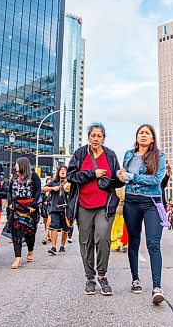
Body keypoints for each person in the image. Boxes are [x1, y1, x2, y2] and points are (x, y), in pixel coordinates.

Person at [66, 123, 124, 296]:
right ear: (88, 137)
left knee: (103, 237)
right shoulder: (80, 154)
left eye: (99, 136)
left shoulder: (111, 155)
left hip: (104, 206)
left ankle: (103, 275)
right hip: (83, 205)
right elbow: (71, 176)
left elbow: (115, 181)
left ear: (103, 138)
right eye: (93, 136)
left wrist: (121, 178)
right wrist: (92, 173)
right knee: (86, 242)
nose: (96, 139)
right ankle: (90, 278)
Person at [119, 124, 167, 305]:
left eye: (147, 133)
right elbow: (123, 175)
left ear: (152, 138)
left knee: (153, 243)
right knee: (133, 242)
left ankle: (157, 287)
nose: (144, 135)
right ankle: (135, 279)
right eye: (141, 133)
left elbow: (156, 179)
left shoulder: (159, 156)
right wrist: (121, 174)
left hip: (152, 202)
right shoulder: (129, 154)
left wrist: (132, 177)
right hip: (131, 201)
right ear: (137, 137)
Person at [8, 157, 41, 269]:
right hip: (17, 207)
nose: (15, 166)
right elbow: (9, 191)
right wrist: (10, 203)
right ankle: (18, 259)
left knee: (29, 233)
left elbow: (38, 191)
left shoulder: (34, 176)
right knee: (16, 232)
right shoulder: (14, 177)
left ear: (22, 165)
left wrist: (34, 205)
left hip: (30, 209)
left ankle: (30, 250)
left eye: (16, 164)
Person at [43, 166, 70, 255]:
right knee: (54, 227)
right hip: (55, 208)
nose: (63, 171)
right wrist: (53, 188)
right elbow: (44, 189)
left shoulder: (70, 182)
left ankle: (62, 246)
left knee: (65, 229)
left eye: (65, 170)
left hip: (66, 209)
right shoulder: (54, 182)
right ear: (58, 172)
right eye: (61, 170)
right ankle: (53, 247)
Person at [40, 177, 52, 245]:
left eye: (50, 182)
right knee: (45, 223)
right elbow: (41, 199)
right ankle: (49, 236)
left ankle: (45, 238)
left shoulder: (53, 191)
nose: (49, 183)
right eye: (48, 182)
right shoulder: (44, 191)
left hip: (50, 208)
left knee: (48, 224)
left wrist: (48, 202)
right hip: (44, 209)